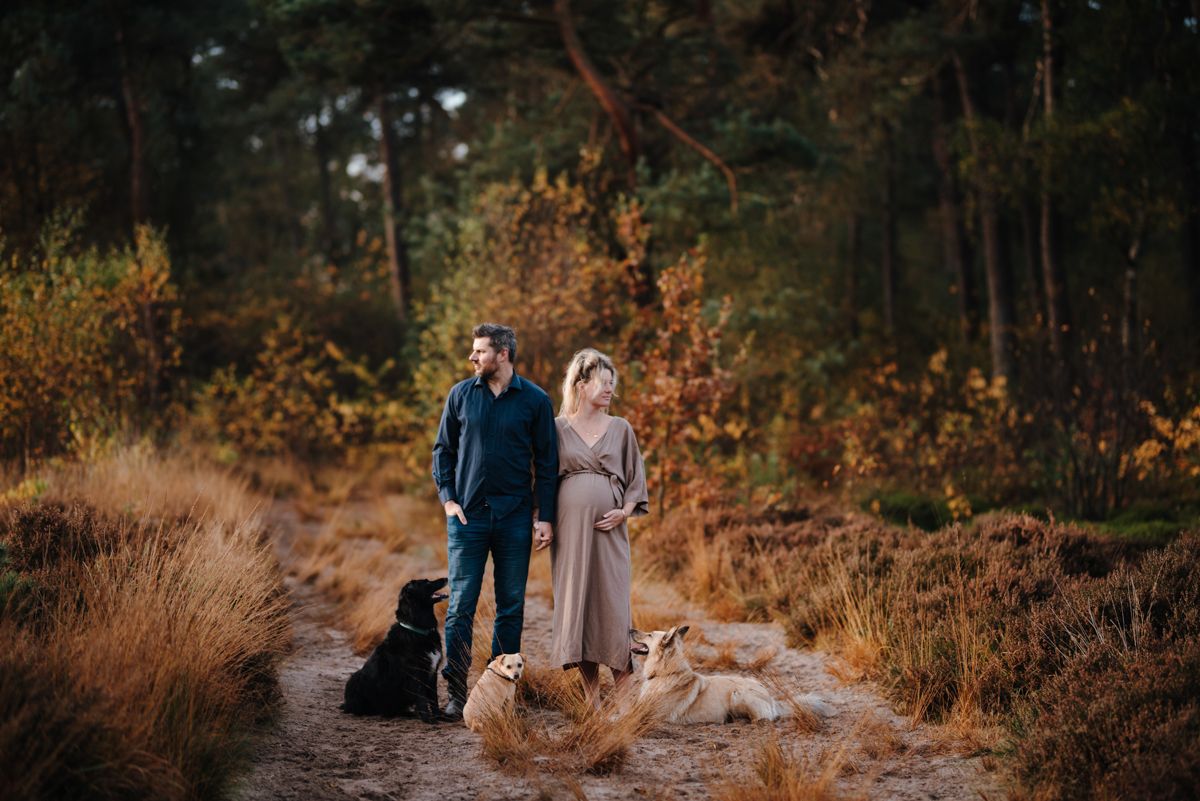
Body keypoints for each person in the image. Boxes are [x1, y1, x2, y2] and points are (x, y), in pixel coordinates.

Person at [432, 323, 558, 720]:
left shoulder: (535, 401)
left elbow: (548, 463)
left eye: (480, 351)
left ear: (503, 354)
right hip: (467, 519)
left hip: (515, 519)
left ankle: (496, 696)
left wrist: (545, 516)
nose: (472, 358)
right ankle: (456, 696)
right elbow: (442, 451)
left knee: (511, 608)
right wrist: (448, 499)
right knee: (460, 608)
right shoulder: (460, 396)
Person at [549, 348, 648, 709]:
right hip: (570, 531)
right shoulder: (558, 429)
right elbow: (543, 478)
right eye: (604, 383)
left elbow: (636, 479)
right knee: (579, 606)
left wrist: (623, 512)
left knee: (613, 605)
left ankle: (625, 704)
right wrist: (540, 519)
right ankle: (591, 702)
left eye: (613, 384)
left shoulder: (621, 429)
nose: (610, 390)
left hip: (610, 533)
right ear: (580, 384)